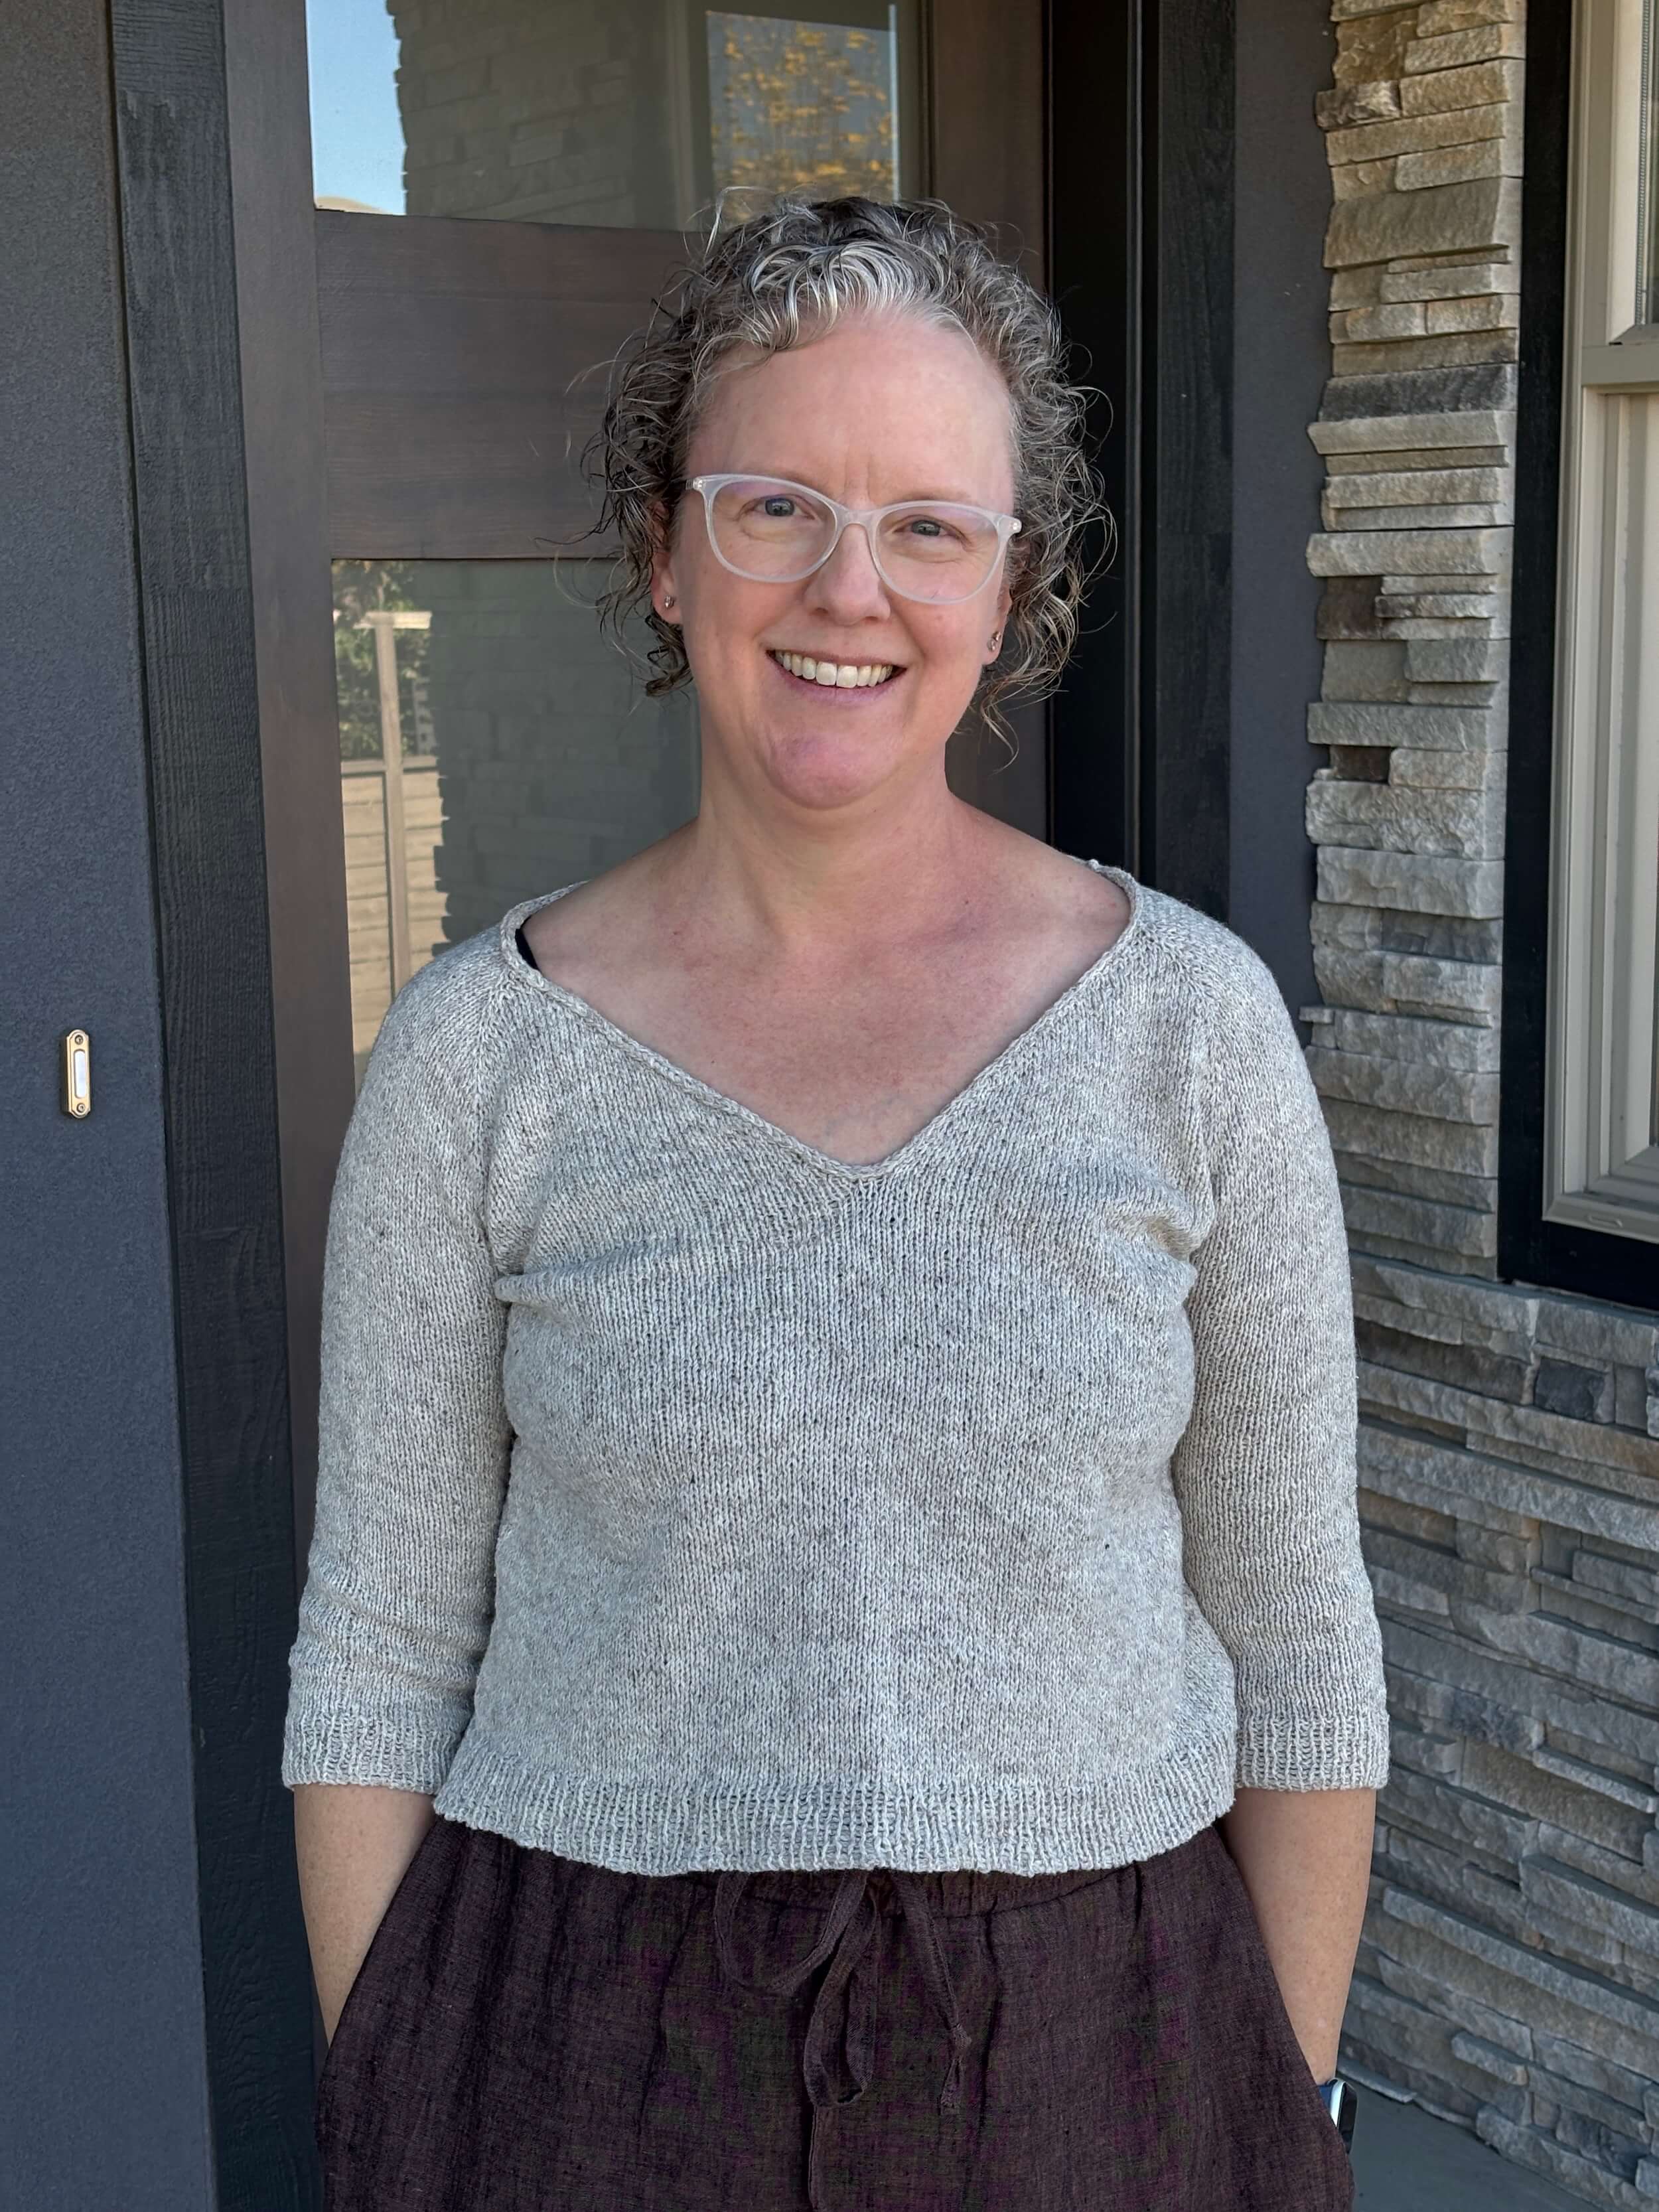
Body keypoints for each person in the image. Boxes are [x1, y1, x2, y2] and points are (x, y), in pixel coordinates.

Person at [282, 193, 1389, 2211]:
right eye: (774, 501)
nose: (848, 585)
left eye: (928, 524)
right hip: (570, 2048)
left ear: (1010, 583)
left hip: (1107, 2040)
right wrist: (404, 2089)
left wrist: (1267, 2101)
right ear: (664, 549)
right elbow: (375, 1642)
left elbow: (1297, 1640)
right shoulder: (480, 1056)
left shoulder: (1189, 1034)